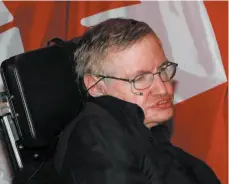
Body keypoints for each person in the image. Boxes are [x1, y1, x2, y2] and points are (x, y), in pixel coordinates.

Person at [55, 18, 220, 184]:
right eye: (140, 78)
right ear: (96, 86)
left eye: (163, 70)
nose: (163, 89)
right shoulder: (95, 136)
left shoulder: (148, 134)